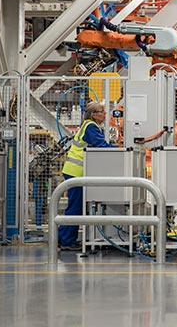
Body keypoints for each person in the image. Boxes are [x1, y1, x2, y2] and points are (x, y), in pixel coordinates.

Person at [59, 101, 114, 251]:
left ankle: (65, 238)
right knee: (75, 207)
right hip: (76, 172)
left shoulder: (89, 126)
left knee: (76, 206)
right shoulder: (90, 126)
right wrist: (119, 149)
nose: (105, 114)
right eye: (102, 112)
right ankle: (65, 241)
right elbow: (101, 145)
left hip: (75, 172)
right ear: (94, 114)